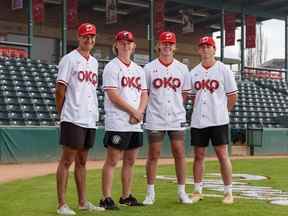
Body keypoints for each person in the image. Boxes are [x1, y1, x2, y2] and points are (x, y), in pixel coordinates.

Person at [55, 23, 105, 215]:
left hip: (89, 117)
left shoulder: (94, 62)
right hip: (73, 116)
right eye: (86, 36)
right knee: (67, 161)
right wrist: (63, 116)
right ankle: (61, 204)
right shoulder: (69, 59)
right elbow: (60, 90)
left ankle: (83, 202)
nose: (89, 40)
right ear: (79, 37)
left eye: (92, 37)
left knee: (83, 161)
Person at [100, 30, 149, 210]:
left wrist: (140, 111)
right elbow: (112, 95)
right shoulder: (111, 67)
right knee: (112, 160)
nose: (126, 45)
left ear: (133, 46)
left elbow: (144, 93)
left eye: (129, 42)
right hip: (118, 120)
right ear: (116, 45)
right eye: (122, 42)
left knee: (130, 160)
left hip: (135, 122)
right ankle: (106, 198)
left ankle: (126, 196)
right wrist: (133, 111)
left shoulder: (138, 69)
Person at [142, 31, 192, 205]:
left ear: (174, 47)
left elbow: (185, 94)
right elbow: (145, 94)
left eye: (170, 43)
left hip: (176, 116)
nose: (167, 46)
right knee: (153, 154)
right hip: (155, 116)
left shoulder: (182, 68)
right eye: (164, 43)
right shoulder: (149, 68)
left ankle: (182, 191)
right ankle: (150, 192)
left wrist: (177, 107)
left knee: (179, 152)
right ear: (158, 45)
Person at [189, 36, 238, 204]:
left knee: (222, 155)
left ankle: (228, 192)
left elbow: (232, 96)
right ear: (198, 50)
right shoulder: (194, 72)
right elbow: (192, 96)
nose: (205, 49)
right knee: (198, 156)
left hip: (218, 120)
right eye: (202, 47)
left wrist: (224, 113)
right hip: (199, 120)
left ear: (214, 49)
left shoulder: (223, 69)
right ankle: (197, 191)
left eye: (208, 46)